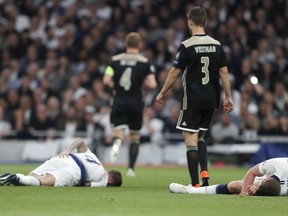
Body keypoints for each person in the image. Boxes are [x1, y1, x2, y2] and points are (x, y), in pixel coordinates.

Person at [156, 6, 234, 187]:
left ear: (189, 22)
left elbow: (175, 72)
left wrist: (162, 93)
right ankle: (205, 175)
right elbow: (224, 73)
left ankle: (195, 184)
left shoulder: (187, 45)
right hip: (211, 99)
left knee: (190, 140)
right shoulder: (217, 44)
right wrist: (228, 97)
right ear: (205, 22)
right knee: (200, 138)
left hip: (192, 98)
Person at [103, 32, 157, 177]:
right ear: (140, 45)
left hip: (119, 100)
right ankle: (131, 169)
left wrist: (115, 87)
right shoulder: (145, 63)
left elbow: (106, 80)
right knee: (134, 136)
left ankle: (118, 141)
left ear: (126, 45)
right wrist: (143, 85)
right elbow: (152, 84)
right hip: (136, 102)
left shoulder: (114, 60)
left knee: (119, 133)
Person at [0, 137, 122, 187]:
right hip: (76, 171)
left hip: (65, 157)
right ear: (111, 180)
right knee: (43, 182)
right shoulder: (104, 177)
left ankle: (10, 179)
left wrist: (67, 150)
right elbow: (90, 185)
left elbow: (80, 140)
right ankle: (15, 177)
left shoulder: (93, 157)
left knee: (30, 177)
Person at [169, 157, 288, 196]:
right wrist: (244, 191)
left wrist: (257, 190)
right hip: (278, 176)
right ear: (266, 178)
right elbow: (252, 172)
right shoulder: (275, 165)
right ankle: (190, 190)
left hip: (280, 186)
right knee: (235, 186)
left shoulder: (280, 188)